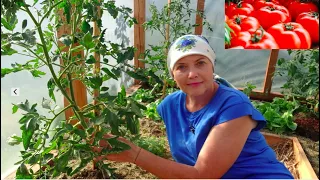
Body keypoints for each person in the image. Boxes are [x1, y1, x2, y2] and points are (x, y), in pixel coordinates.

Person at [93, 34, 294, 179]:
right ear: (173, 74)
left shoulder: (233, 105)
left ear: (212, 66)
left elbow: (203, 175)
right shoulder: (169, 106)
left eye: (200, 63)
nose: (192, 74)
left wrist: (135, 155)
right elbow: (187, 161)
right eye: (181, 67)